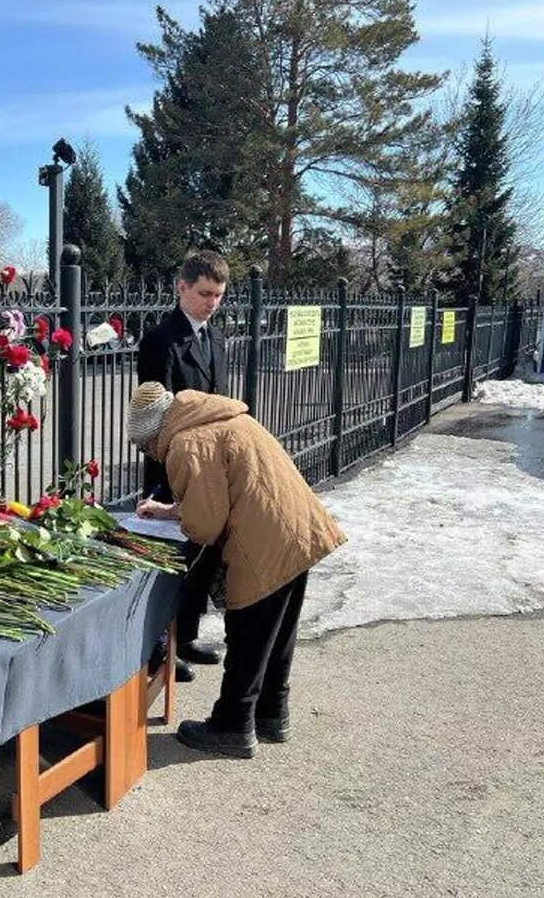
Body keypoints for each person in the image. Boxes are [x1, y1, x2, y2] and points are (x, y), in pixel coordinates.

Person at [127, 381, 346, 758]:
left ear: (153, 433)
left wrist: (182, 522)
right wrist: (169, 511)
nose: (152, 454)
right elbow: (222, 490)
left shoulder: (184, 444)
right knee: (277, 633)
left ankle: (233, 724)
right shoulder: (217, 418)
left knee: (248, 634)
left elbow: (207, 523)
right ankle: (272, 714)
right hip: (297, 531)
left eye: (147, 447)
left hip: (263, 542)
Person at [136, 250, 231, 679]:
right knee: (173, 559)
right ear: (182, 288)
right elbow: (156, 414)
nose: (212, 302)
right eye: (204, 293)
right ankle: (162, 648)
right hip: (173, 466)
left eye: (219, 295)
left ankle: (188, 636)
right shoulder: (160, 341)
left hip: (212, 468)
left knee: (204, 553)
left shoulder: (216, 339)